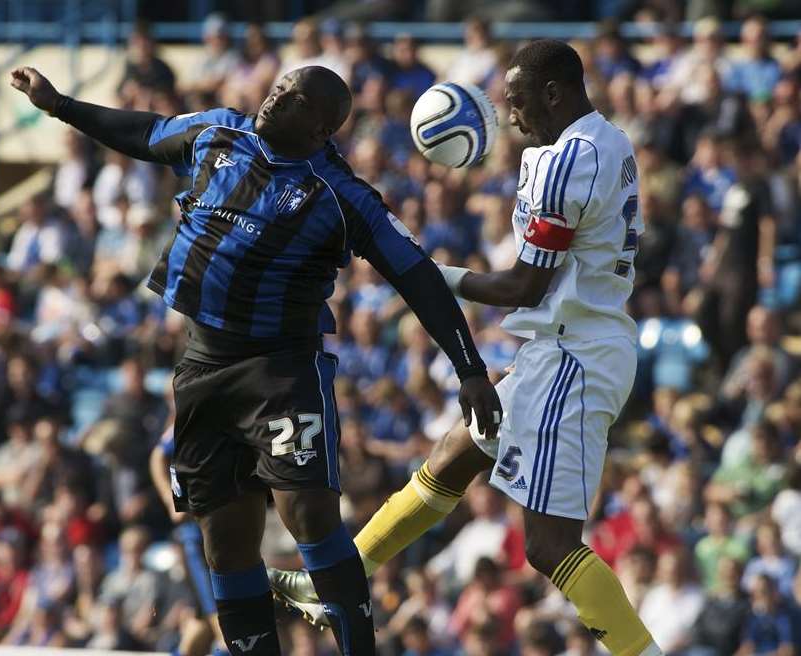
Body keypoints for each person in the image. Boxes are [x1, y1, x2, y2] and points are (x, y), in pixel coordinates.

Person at [10, 63, 500, 656]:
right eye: (278, 87)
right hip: (201, 368)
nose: (276, 97)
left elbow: (417, 275)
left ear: (321, 129)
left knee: (311, 516)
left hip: (281, 371)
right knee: (225, 543)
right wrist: (60, 103)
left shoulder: (341, 196)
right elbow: (146, 133)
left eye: (294, 98)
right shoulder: (219, 132)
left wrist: (469, 367)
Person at [271, 39, 664, 656]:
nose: (510, 114)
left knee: (549, 545)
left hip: (575, 356)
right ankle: (333, 584)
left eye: (518, 100)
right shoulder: (602, 142)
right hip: (564, 347)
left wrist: (429, 275)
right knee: (457, 453)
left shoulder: (569, 159)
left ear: (554, 92)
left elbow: (524, 283)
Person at [149, 422, 226, 656]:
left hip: (225, 532)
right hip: (197, 538)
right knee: (225, 628)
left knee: (201, 626)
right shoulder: (195, 410)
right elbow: (158, 457)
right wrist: (168, 497)